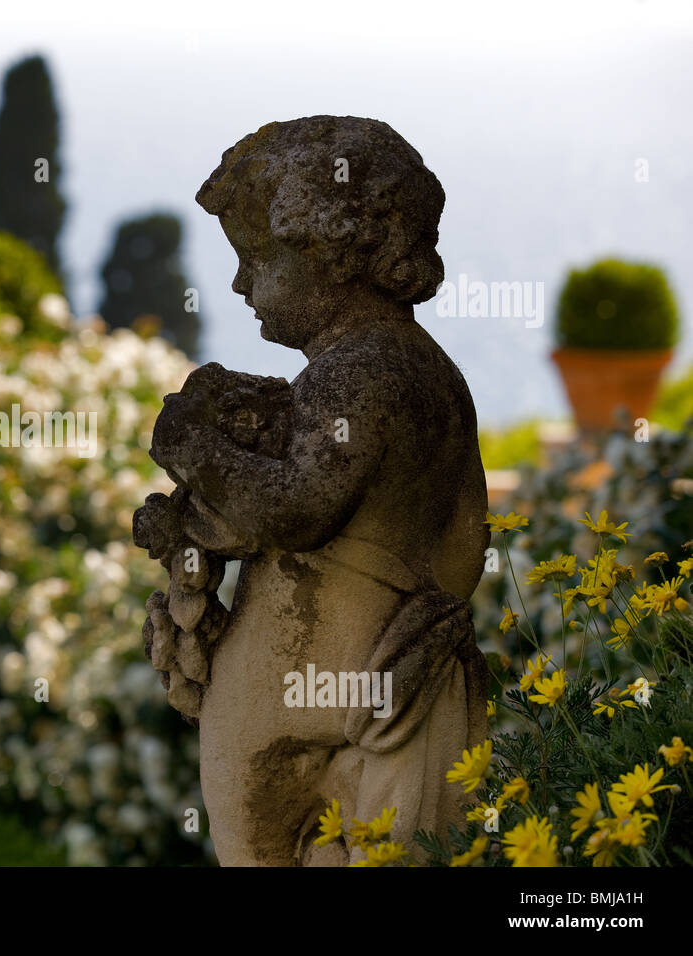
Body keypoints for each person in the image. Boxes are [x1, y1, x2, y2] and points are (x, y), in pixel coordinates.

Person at [140, 115, 490, 865]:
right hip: (368, 696)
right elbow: (466, 538)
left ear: (328, 252)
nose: (238, 283)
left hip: (300, 712)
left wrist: (197, 450)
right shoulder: (435, 377)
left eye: (256, 259)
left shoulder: (357, 374)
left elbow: (296, 510)